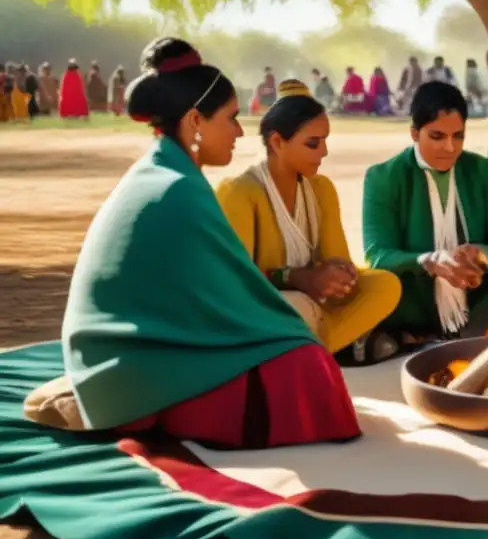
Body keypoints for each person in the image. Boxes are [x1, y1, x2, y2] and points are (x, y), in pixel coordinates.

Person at [52, 38, 360, 448]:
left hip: (111, 354)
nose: (238, 131)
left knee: (297, 345)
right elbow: (234, 294)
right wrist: (291, 324)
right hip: (124, 372)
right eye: (231, 118)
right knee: (304, 363)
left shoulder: (164, 171)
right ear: (196, 121)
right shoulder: (179, 187)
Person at [217, 80, 401, 364]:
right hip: (262, 306)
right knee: (298, 306)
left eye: (325, 141)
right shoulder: (241, 192)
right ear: (277, 142)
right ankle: (312, 351)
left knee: (385, 286)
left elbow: (337, 258)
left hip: (314, 302)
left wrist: (339, 276)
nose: (324, 152)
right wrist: (298, 278)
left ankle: (305, 352)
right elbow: (235, 283)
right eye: (313, 144)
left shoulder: (320, 189)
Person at [362, 81, 488, 342]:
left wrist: (483, 254)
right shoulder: (383, 178)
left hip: (479, 302)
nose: (450, 147)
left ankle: (472, 328)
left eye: (458, 136)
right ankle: (410, 333)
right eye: (437, 136)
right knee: (373, 283)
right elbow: (377, 255)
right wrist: (429, 261)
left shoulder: (483, 172)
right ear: (415, 133)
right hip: (412, 305)